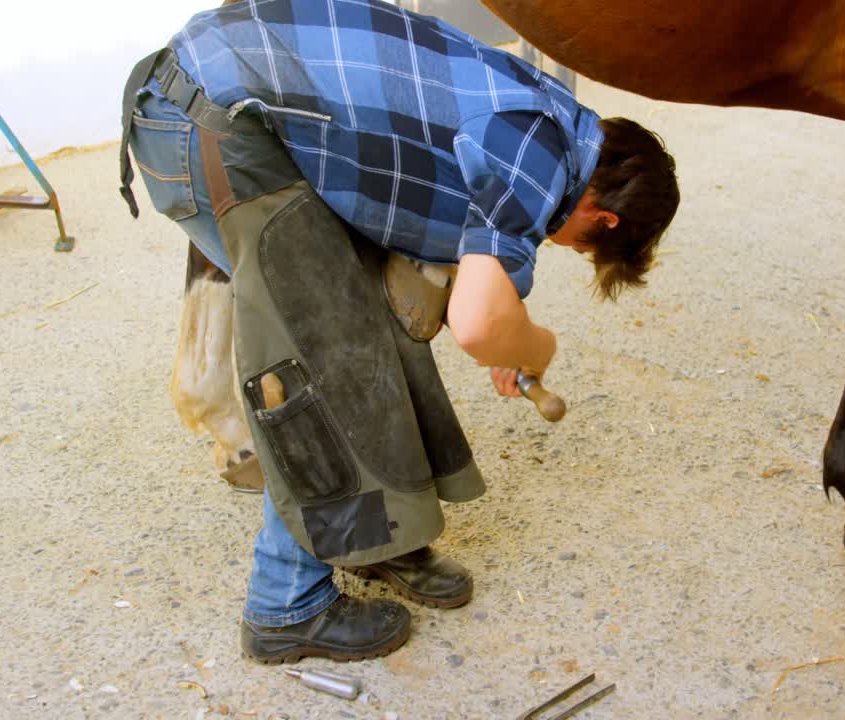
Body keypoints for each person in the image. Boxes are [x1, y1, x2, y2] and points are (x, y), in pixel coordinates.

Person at [118, 0, 679, 664]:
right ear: (606, 217)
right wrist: (533, 346)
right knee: (329, 360)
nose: (562, 244)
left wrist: (502, 333)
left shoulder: (549, 119)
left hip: (220, 101)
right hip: (208, 122)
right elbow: (475, 322)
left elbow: (456, 261)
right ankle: (284, 606)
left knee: (371, 316)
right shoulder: (542, 156)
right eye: (583, 247)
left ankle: (375, 536)